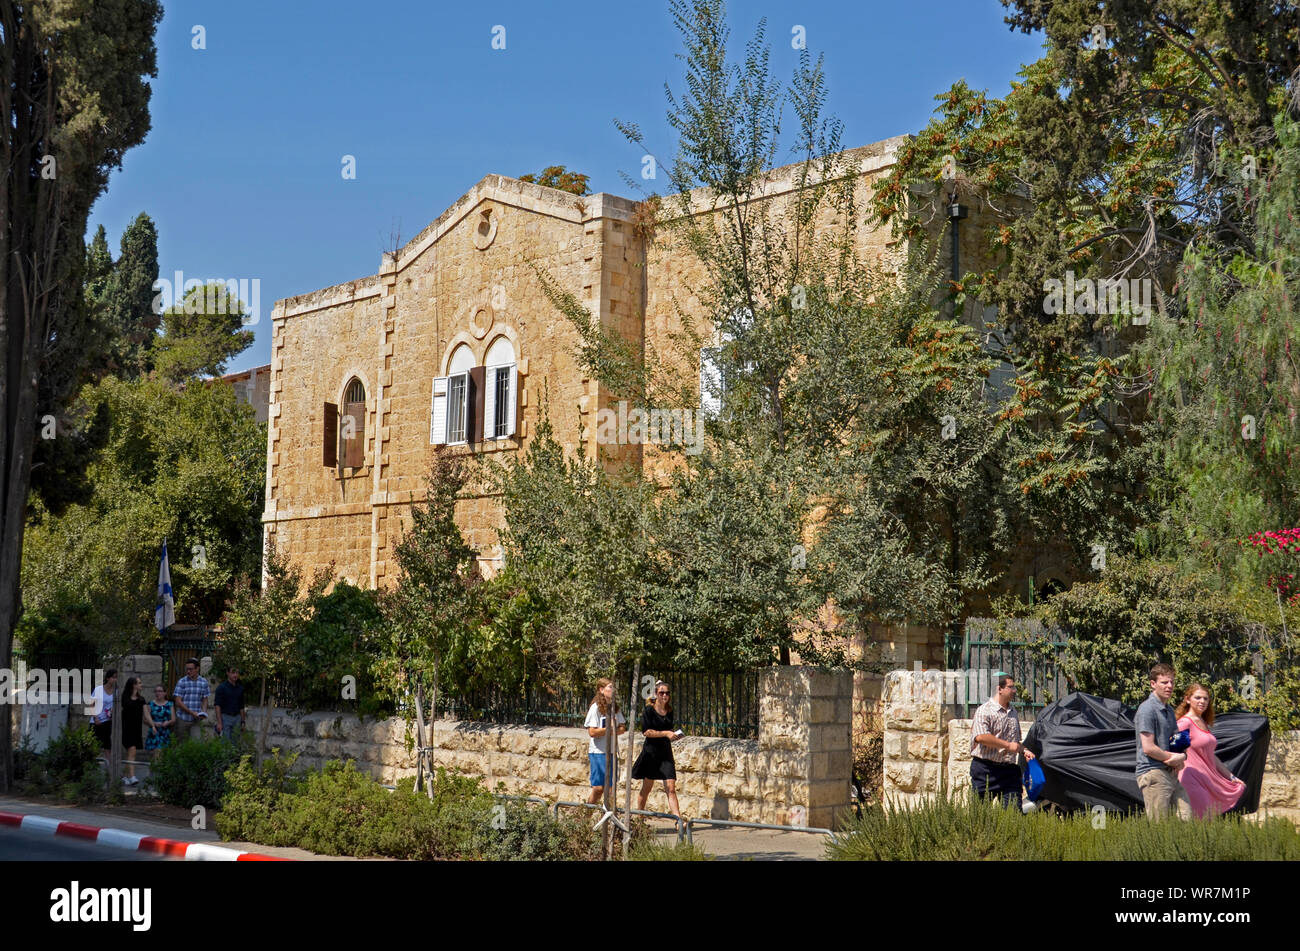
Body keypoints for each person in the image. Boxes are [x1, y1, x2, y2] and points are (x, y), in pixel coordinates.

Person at [1175, 683, 1246, 818]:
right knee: (1201, 819)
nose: (1202, 701)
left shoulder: (1202, 722)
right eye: (1198, 698)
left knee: (1206, 819)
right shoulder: (1185, 723)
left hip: (1205, 777)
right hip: (1190, 777)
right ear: (1187, 699)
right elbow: (1175, 751)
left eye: (1205, 698)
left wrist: (1231, 777)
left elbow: (1211, 756)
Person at [969, 672, 1035, 809]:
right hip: (985, 770)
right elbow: (981, 737)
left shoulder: (1013, 712)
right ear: (999, 689)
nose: (1014, 691)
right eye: (1010, 687)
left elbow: (1014, 743)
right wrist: (1007, 745)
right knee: (980, 815)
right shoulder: (984, 711)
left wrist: (1024, 750)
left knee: (1013, 814)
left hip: (1009, 771)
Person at [1135, 662, 1192, 820]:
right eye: (1164, 682)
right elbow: (1148, 748)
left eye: (1172, 682)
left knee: (1186, 819)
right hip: (1153, 772)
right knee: (1159, 828)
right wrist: (1171, 758)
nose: (1169, 686)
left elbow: (1178, 740)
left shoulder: (1169, 710)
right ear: (1153, 684)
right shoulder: (1146, 709)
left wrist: (1182, 757)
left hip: (1171, 774)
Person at [632, 680, 682, 818]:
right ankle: (640, 817)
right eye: (661, 693)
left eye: (667, 693)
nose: (665, 695)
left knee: (671, 788)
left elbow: (669, 729)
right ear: (656, 694)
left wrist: (674, 735)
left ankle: (678, 820)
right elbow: (646, 732)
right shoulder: (649, 711)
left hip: (665, 753)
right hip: (651, 753)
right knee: (647, 788)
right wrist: (665, 733)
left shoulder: (669, 710)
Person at [583, 678, 627, 805]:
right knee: (598, 789)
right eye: (610, 687)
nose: (613, 690)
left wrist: (614, 730)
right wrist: (608, 729)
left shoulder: (615, 708)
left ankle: (608, 818)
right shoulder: (595, 708)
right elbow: (592, 732)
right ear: (601, 690)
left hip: (612, 751)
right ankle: (586, 814)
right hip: (598, 752)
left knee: (611, 789)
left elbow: (622, 727)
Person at [172, 658, 210, 742]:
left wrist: (203, 711)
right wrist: (192, 712)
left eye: (191, 669)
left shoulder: (204, 682)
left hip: (196, 720)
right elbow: (178, 702)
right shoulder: (182, 682)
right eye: (187, 669)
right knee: (180, 745)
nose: (188, 671)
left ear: (197, 669)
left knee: (196, 744)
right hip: (182, 719)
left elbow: (205, 699)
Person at [119, 677, 145, 786]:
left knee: (131, 753)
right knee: (132, 750)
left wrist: (152, 724)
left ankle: (124, 776)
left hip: (136, 729)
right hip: (127, 728)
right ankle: (132, 776)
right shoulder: (125, 699)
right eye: (139, 683)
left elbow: (146, 713)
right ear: (133, 685)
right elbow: (126, 708)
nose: (141, 685)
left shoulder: (141, 699)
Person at [87, 669, 118, 754]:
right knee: (91, 743)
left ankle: (108, 765)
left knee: (107, 744)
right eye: (113, 677)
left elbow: (115, 705)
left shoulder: (116, 692)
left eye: (116, 678)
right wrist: (95, 718)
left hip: (107, 721)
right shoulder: (98, 689)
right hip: (96, 721)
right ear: (108, 678)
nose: (115, 680)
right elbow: (91, 704)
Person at [214, 666, 246, 746]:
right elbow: (217, 705)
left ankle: (234, 758)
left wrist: (243, 721)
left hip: (237, 718)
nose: (235, 675)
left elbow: (241, 706)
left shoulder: (240, 688)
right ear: (227, 673)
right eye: (233, 672)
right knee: (225, 743)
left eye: (237, 673)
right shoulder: (221, 688)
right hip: (225, 718)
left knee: (235, 743)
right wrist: (219, 722)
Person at [145, 683, 175, 752]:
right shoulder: (150, 704)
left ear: (165, 693)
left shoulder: (170, 704)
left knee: (162, 756)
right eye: (156, 691)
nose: (157, 693)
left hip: (165, 733)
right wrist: (154, 723)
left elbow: (173, 719)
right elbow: (145, 720)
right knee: (157, 754)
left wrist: (168, 722)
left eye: (160, 691)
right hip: (154, 732)